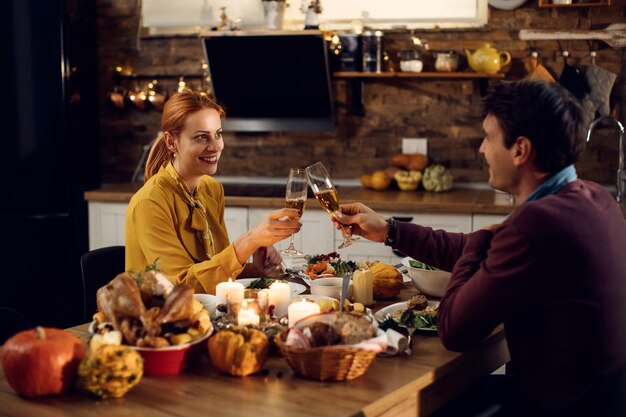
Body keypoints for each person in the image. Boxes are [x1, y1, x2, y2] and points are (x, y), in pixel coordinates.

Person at [333, 80, 626, 417]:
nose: (481, 149)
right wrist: (390, 231)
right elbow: (487, 250)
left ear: (520, 149)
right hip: (598, 400)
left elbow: (452, 329)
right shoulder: (591, 198)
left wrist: (479, 243)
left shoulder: (537, 223)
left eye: (488, 137)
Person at [125, 90, 301, 294]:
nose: (215, 146)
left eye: (218, 134)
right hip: (159, 318)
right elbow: (181, 287)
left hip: (208, 312)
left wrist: (255, 269)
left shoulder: (212, 189)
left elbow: (210, 272)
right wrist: (250, 240)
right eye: (201, 137)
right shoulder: (149, 202)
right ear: (171, 142)